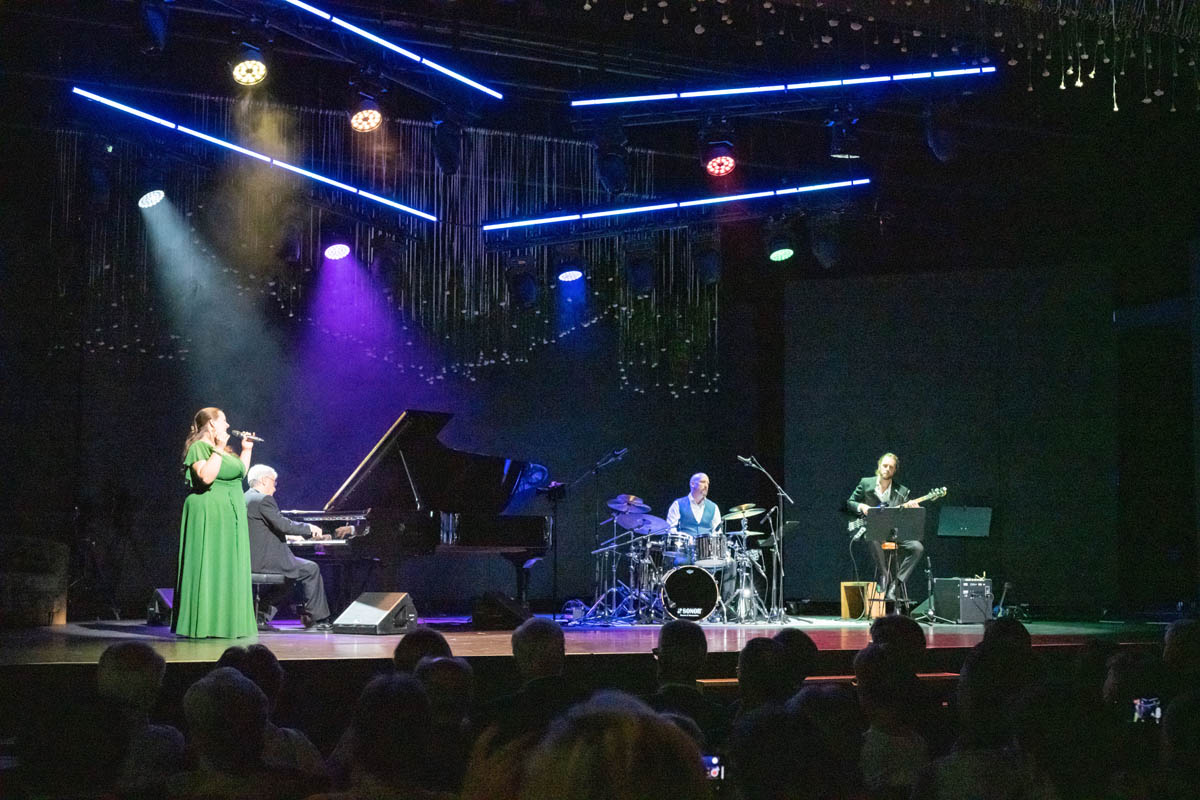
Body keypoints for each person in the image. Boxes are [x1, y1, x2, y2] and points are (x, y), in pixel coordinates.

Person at [174, 407, 257, 638]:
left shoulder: (223, 450)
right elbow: (206, 477)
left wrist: (246, 450)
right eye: (224, 421)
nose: (228, 425)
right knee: (210, 564)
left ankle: (228, 621)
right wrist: (219, 448)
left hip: (230, 513)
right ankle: (205, 622)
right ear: (211, 424)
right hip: (210, 512)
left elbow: (239, 473)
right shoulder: (200, 447)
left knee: (229, 567)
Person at [245, 464, 332, 630]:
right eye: (274, 482)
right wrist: (308, 528)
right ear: (264, 480)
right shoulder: (263, 500)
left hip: (251, 557)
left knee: (292, 574)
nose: (275, 488)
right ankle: (319, 619)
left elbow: (262, 528)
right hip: (264, 560)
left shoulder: (246, 498)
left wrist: (290, 536)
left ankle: (261, 613)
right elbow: (283, 524)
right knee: (310, 569)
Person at [847, 452, 924, 599]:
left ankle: (895, 586)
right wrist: (862, 506)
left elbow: (904, 517)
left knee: (917, 548)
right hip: (872, 530)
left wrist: (912, 508)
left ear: (895, 470)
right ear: (879, 466)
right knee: (872, 534)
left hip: (892, 532)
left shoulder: (901, 491)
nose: (887, 469)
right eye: (885, 465)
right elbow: (850, 503)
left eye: (891, 467)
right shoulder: (866, 483)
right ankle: (884, 574)